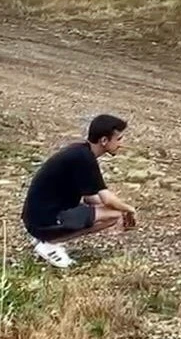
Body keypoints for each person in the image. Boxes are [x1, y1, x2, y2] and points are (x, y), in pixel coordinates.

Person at [21, 114, 137, 268]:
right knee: (114, 216)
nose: (121, 144)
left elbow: (91, 197)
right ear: (104, 141)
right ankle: (50, 243)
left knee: (112, 211)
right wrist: (129, 210)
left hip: (37, 218)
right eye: (119, 139)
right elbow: (106, 198)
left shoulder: (80, 152)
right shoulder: (84, 158)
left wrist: (115, 207)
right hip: (44, 220)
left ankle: (46, 239)